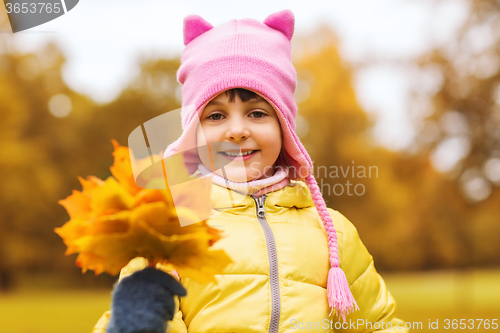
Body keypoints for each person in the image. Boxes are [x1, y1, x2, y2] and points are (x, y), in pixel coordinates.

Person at [92, 9, 408, 333]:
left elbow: (379, 324)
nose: (237, 130)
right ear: (192, 135)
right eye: (215, 116)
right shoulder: (168, 227)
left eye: (257, 113)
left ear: (285, 128)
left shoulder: (333, 234)